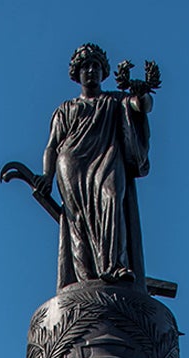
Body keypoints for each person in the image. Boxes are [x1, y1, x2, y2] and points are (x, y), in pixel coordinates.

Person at [40, 43, 153, 288]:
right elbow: (52, 146)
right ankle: (86, 279)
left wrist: (141, 93)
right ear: (76, 73)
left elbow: (141, 106)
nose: (90, 70)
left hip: (108, 158)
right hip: (71, 163)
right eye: (85, 66)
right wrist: (47, 176)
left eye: (95, 66)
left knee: (111, 198)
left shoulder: (115, 101)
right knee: (77, 218)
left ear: (103, 72)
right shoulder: (66, 109)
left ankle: (113, 265)